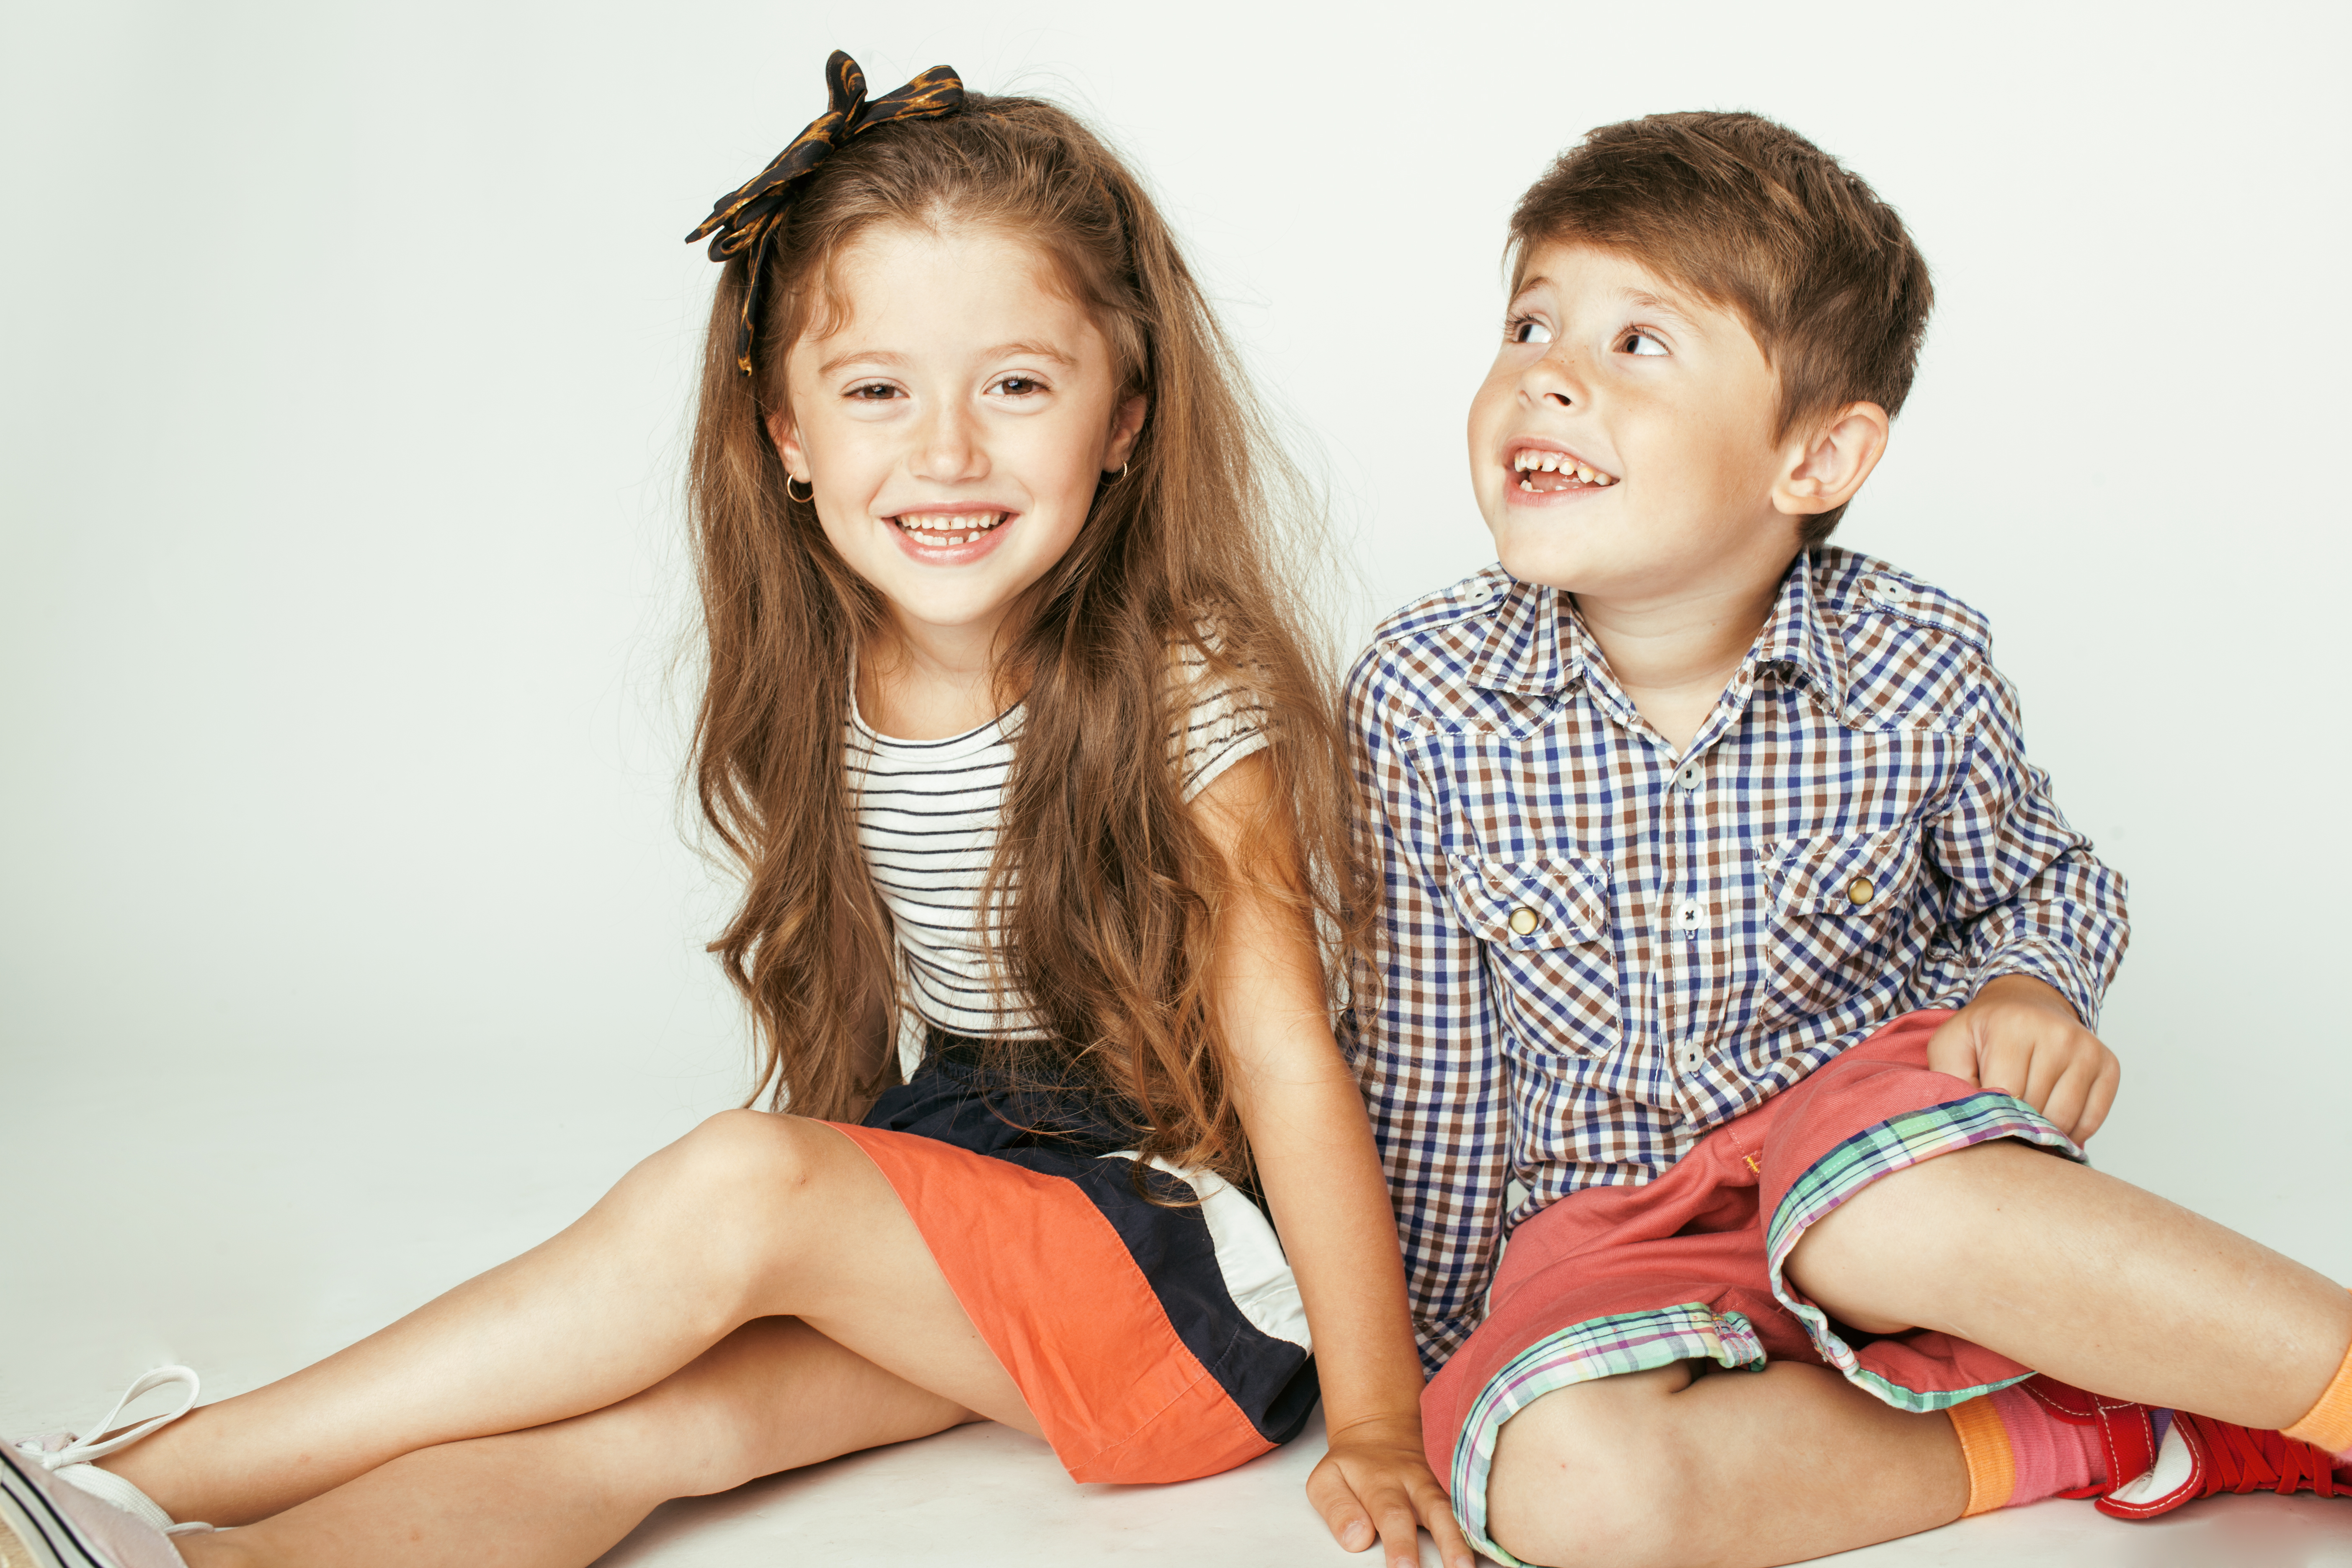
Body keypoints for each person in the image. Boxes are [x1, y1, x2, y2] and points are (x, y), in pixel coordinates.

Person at [2, 54, 1468, 1568]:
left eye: (1018, 384)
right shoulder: (826, 665)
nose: (948, 451)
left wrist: (1374, 1420)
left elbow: (1288, 1060)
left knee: (738, 1182)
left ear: (1125, 416)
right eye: (877, 390)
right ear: (783, 431)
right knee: (653, 1430)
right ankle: (179, 1556)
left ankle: (141, 1461)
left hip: (1195, 1281)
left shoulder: (1181, 685)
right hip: (978, 1186)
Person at [1345, 110, 2352, 1568]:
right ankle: (2108, 1430)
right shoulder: (1425, 694)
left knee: (1865, 1218)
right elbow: (1424, 1066)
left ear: (1817, 454)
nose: (1546, 376)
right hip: (1610, 1229)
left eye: (1639, 344)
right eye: (1528, 324)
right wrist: (1435, 1363)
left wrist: (2033, 991)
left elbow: (2045, 878)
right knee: (1564, 1487)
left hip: (1873, 1158)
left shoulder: (1914, 662)